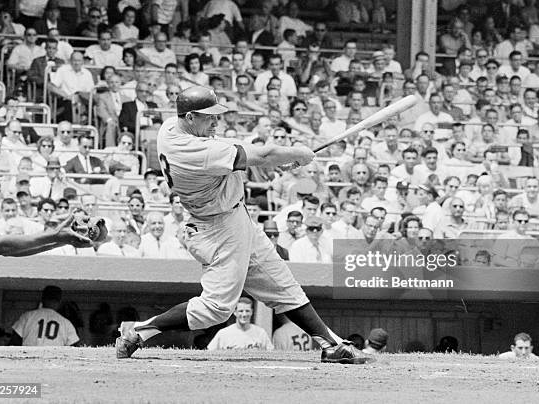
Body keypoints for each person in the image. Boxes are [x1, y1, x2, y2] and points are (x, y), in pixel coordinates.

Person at [116, 86, 370, 364]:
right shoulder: (192, 150)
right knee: (216, 308)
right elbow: (263, 154)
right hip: (218, 227)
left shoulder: (170, 128)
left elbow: (248, 157)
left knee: (282, 285)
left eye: (216, 116)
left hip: (232, 217)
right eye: (209, 117)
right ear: (189, 116)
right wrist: (298, 153)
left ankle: (331, 344)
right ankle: (139, 331)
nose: (216, 122)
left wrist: (277, 160)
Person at [8, 286, 80, 346]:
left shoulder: (27, 316)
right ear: (59, 302)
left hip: (30, 360)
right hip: (54, 361)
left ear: (42, 299)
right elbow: (74, 348)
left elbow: (14, 343)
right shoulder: (66, 323)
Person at [206, 297, 273, 350]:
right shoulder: (223, 334)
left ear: (252, 312)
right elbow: (210, 354)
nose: (244, 314)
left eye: (247, 311)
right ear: (235, 312)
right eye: (241, 311)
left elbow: (271, 355)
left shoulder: (260, 333)